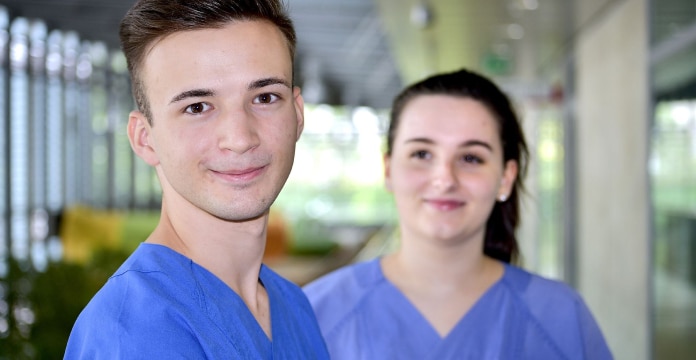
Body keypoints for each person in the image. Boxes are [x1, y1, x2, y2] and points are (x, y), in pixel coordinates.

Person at [64, 0, 329, 358]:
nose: (239, 138)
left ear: (297, 114)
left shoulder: (293, 305)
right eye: (197, 107)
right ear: (145, 138)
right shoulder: (131, 332)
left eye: (265, 97)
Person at [303, 68, 613, 359]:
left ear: (506, 177)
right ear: (388, 170)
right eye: (421, 154)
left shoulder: (561, 318)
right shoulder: (315, 314)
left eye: (471, 158)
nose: (445, 179)